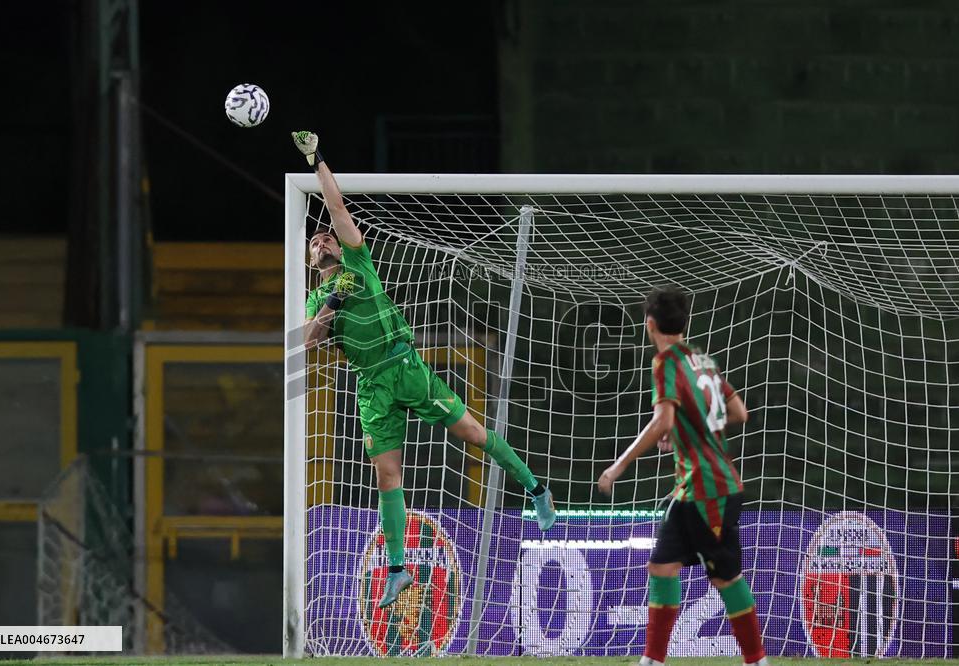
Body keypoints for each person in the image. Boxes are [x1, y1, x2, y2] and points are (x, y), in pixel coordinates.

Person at [293, 131, 557, 609]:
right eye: (315, 242)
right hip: (371, 386)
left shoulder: (358, 259)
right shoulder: (317, 299)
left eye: (325, 235)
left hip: (406, 366)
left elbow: (336, 208)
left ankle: (536, 489)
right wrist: (334, 299)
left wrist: (317, 161)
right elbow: (308, 342)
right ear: (312, 261)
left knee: (474, 433)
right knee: (388, 477)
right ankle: (397, 570)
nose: (322, 238)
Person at [597, 286, 767, 666]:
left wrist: (620, 465)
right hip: (693, 487)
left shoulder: (666, 363)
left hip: (709, 488)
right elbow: (739, 412)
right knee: (661, 565)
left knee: (726, 578)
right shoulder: (703, 361)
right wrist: (685, 433)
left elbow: (664, 419)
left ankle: (757, 660)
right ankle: (653, 660)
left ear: (650, 324)